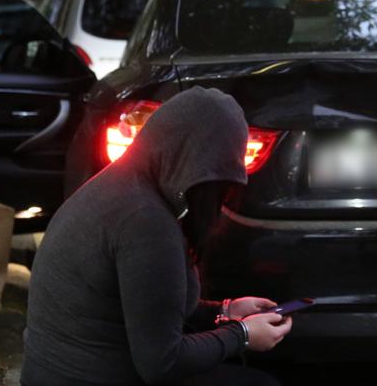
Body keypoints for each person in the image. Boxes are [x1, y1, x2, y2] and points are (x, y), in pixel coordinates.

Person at [22, 87, 292, 385]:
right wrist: (241, 335)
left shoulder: (120, 184)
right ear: (199, 170)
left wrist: (226, 310)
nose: (222, 200)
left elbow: (149, 307)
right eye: (221, 185)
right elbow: (162, 362)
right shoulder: (146, 223)